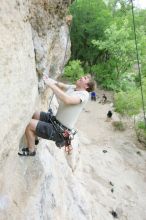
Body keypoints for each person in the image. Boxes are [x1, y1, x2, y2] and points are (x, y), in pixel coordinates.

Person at [18, 75, 95, 156]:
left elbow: (67, 100)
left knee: (29, 125)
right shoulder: (74, 87)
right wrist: (50, 80)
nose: (82, 77)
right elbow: (62, 85)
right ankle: (34, 139)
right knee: (35, 114)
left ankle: (31, 151)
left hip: (60, 131)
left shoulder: (84, 95)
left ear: (86, 86)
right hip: (56, 121)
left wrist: (51, 85)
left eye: (85, 78)